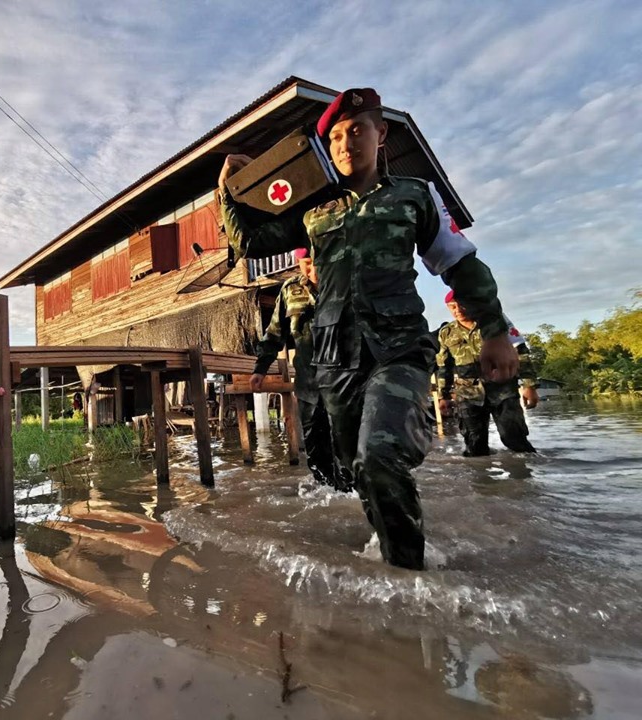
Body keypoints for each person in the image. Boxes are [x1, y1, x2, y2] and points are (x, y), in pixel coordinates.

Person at [218, 87, 519, 570]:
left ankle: (409, 578)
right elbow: (252, 243)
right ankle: (391, 558)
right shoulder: (313, 212)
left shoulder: (414, 196)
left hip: (398, 349)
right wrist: (226, 191)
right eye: (336, 136)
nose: (345, 143)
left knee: (378, 455)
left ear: (381, 135)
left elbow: (459, 264)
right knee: (355, 468)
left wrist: (494, 330)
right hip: (337, 361)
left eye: (357, 131)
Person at [250, 248, 351, 491]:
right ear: (298, 262)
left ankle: (355, 500)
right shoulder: (289, 291)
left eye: (318, 262)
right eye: (307, 263)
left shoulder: (346, 282)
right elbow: (275, 333)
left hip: (345, 384)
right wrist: (260, 368)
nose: (313, 270)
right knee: (316, 449)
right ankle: (328, 503)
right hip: (309, 387)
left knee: (348, 449)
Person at [437, 290, 538, 456]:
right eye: (453, 307)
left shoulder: (496, 325)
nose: (458, 310)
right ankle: (481, 481)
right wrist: (444, 396)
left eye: (462, 305)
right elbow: (444, 366)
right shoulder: (447, 333)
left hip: (502, 391)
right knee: (474, 446)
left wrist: (530, 386)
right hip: (468, 394)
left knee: (514, 439)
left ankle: (526, 478)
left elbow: (520, 352)